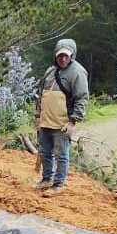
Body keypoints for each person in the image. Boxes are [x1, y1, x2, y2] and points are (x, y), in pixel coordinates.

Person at [35, 38, 89, 197]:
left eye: (66, 56)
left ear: (72, 55)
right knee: (45, 152)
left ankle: (58, 184)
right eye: (60, 56)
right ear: (55, 55)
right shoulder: (50, 72)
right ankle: (46, 179)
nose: (63, 59)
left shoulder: (77, 72)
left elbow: (82, 98)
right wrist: (38, 116)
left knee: (61, 154)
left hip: (62, 123)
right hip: (46, 121)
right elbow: (41, 95)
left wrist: (73, 121)